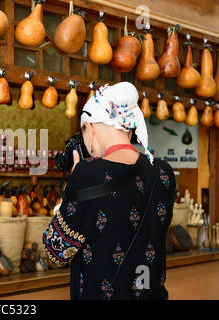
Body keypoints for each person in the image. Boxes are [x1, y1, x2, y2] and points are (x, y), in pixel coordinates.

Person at [43, 82, 175, 300]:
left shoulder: (86, 174)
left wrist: (74, 189)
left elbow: (56, 250)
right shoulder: (163, 173)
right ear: (129, 127)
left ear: (92, 127)